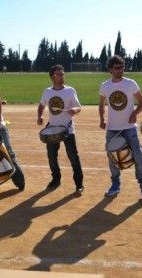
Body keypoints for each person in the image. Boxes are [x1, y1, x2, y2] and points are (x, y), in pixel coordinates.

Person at [99, 55, 142, 204]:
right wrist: (102, 120)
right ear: (110, 69)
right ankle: (115, 184)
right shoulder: (105, 86)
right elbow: (101, 105)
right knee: (112, 158)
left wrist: (135, 114)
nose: (120, 70)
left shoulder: (130, 83)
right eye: (116, 68)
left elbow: (141, 103)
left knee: (138, 158)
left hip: (129, 128)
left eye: (122, 67)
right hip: (112, 128)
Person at [37, 65, 84, 193]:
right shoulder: (47, 91)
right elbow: (41, 105)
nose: (62, 76)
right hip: (52, 128)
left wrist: (75, 109)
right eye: (59, 74)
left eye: (63, 74)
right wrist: (40, 116)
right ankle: (56, 179)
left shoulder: (70, 91)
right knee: (52, 157)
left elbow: (78, 107)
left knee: (73, 157)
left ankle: (79, 183)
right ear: (52, 77)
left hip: (67, 129)